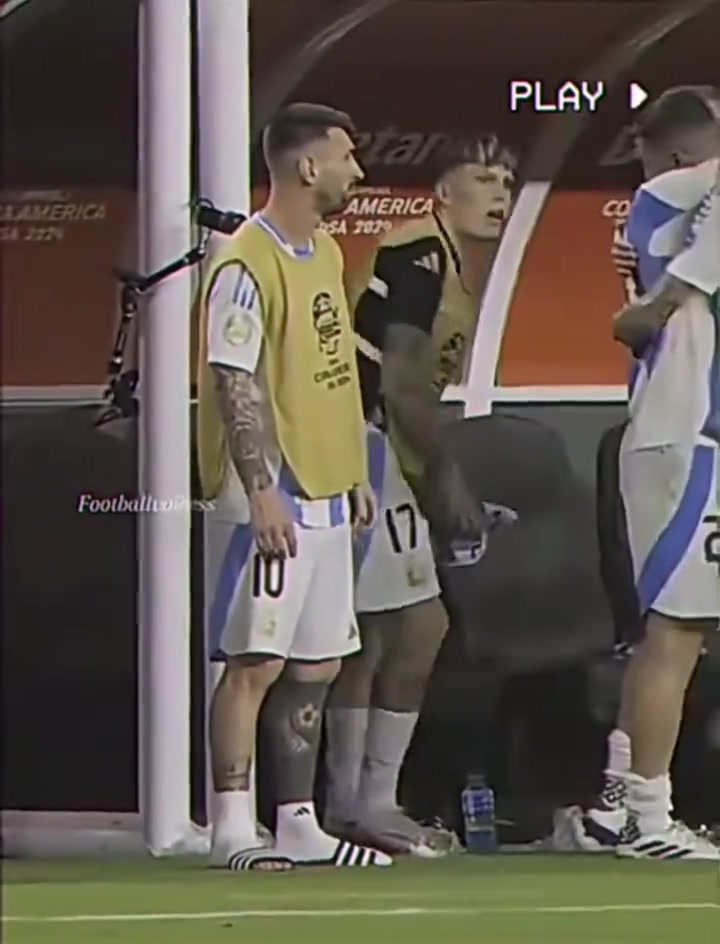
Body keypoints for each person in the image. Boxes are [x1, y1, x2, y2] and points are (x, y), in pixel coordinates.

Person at [197, 102, 392, 870]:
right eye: (347, 156)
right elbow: (234, 379)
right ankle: (230, 825)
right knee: (256, 661)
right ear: (308, 166)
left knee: (318, 663)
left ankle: (298, 820)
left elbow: (329, 369)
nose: (358, 172)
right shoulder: (247, 262)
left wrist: (354, 470)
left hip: (328, 488)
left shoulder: (327, 252)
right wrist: (260, 489)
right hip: (273, 492)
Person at [324, 134, 518, 855]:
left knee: (403, 629)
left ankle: (364, 800)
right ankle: (356, 803)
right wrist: (446, 477)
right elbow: (401, 385)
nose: (499, 194)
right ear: (442, 192)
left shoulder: (454, 267)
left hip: (381, 452)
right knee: (388, 631)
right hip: (354, 446)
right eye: (483, 178)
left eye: (506, 182)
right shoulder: (417, 255)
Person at [571, 86, 720, 860]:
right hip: (689, 437)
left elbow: (635, 323)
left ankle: (616, 804)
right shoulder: (685, 196)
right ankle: (648, 820)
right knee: (676, 632)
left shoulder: (662, 213)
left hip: (682, 436)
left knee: (672, 631)